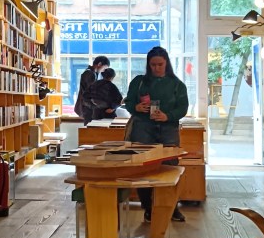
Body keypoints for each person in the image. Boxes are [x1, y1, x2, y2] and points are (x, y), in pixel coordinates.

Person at [124, 46, 189, 223]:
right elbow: (128, 102)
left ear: (166, 63)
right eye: (152, 65)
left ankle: (172, 207)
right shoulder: (139, 82)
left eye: (159, 64)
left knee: (170, 168)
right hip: (143, 128)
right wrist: (135, 107)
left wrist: (168, 116)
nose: (156, 68)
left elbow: (183, 108)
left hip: (168, 129)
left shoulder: (177, 85)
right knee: (143, 168)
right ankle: (148, 208)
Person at [74, 55, 110, 124]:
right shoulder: (89, 73)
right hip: (88, 107)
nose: (103, 71)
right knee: (90, 130)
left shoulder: (93, 73)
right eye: (104, 68)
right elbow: (93, 93)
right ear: (99, 64)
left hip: (89, 107)